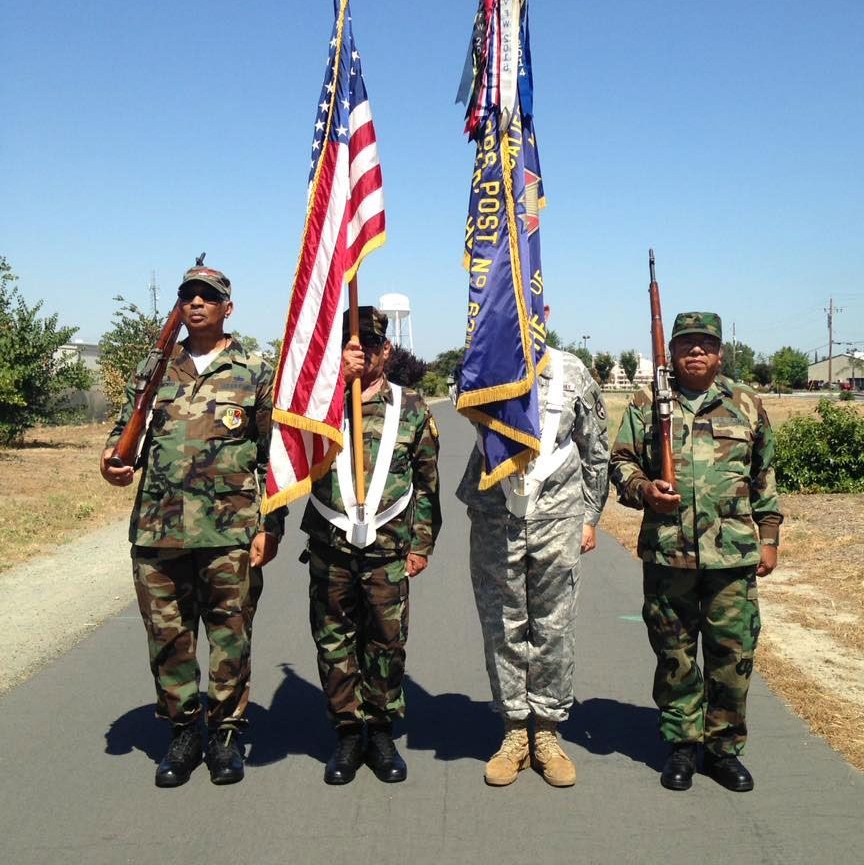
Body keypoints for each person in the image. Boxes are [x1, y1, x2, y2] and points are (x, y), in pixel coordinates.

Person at [100, 264, 285, 788]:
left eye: (209, 296)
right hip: (158, 530)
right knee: (168, 636)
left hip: (230, 533)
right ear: (179, 307)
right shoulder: (154, 369)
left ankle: (226, 733)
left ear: (229, 307)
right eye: (188, 296)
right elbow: (124, 437)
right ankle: (182, 730)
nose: (197, 302)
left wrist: (272, 524)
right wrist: (112, 463)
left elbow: (277, 459)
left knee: (231, 635)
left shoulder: (254, 369)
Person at [609, 311, 783, 793]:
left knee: (732, 654)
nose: (696, 351)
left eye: (706, 343)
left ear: (720, 351)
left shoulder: (746, 403)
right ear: (674, 352)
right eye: (687, 344)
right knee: (675, 654)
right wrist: (644, 490)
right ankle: (682, 746)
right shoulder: (648, 403)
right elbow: (619, 463)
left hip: (733, 557)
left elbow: (764, 475)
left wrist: (769, 539)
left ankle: (723, 749)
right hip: (669, 554)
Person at [456, 345, 609, 788]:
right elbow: (462, 403)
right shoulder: (485, 359)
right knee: (503, 625)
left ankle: (546, 733)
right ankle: (514, 733)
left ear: (543, 310)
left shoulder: (572, 371)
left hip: (558, 513)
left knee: (553, 627)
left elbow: (594, 446)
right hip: (494, 513)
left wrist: (590, 516)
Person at [300, 306, 441, 786]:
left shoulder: (412, 407)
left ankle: (380, 732)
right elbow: (286, 460)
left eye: (370, 345)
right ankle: (345, 731)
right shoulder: (316, 405)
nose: (360, 352)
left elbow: (426, 484)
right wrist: (334, 384)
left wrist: (421, 543)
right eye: (349, 344)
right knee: (334, 641)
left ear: (386, 350)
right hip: (330, 544)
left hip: (388, 548)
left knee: (386, 642)